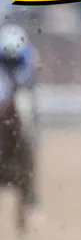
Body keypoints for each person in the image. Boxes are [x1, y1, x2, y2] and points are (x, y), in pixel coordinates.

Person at [0, 23, 41, 207]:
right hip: (5, 86)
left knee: (24, 109)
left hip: (22, 89)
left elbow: (27, 79)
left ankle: (29, 141)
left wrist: (16, 87)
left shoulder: (29, 55)